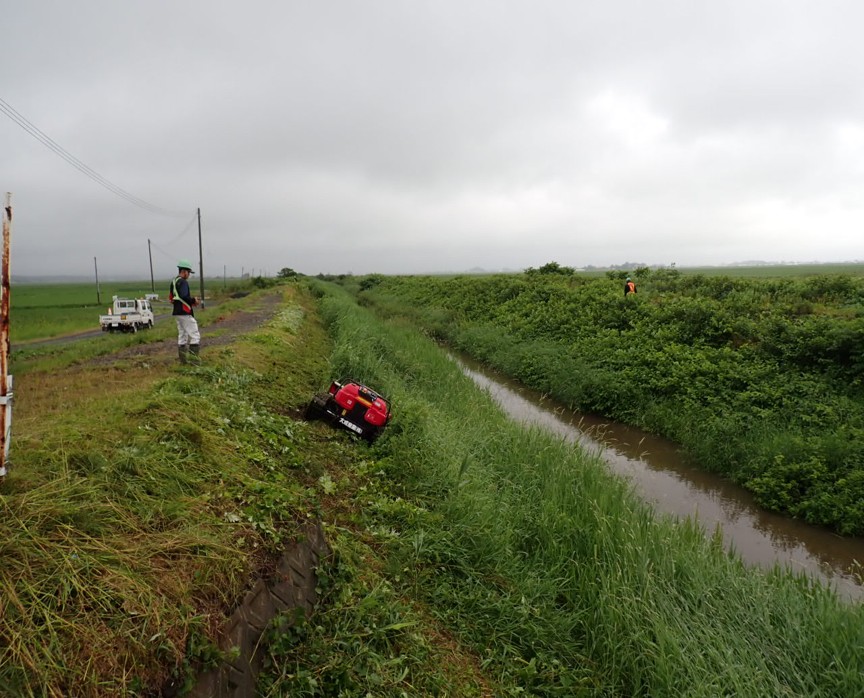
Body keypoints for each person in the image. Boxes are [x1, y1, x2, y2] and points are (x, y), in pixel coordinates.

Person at [169, 259, 200, 363]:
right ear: (184, 271)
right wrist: (193, 300)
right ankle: (194, 362)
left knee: (182, 336)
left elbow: (171, 298)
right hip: (184, 312)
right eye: (189, 272)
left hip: (177, 312)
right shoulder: (183, 282)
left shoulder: (174, 282)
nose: (189, 275)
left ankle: (183, 361)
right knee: (195, 335)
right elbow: (183, 296)